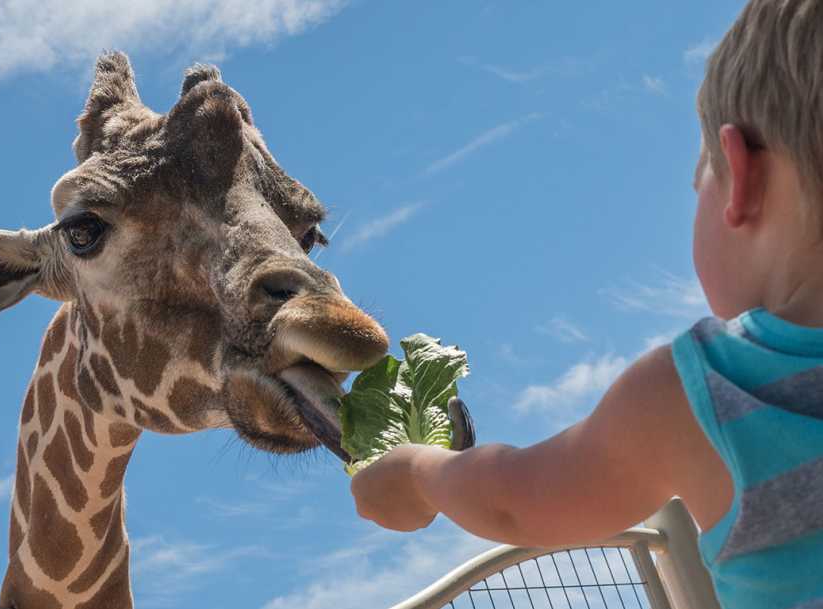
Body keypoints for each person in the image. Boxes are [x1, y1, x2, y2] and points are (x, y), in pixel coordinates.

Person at [350, 2, 823, 607]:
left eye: (700, 180)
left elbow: (516, 500)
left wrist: (417, 472)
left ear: (743, 174)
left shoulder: (705, 393)